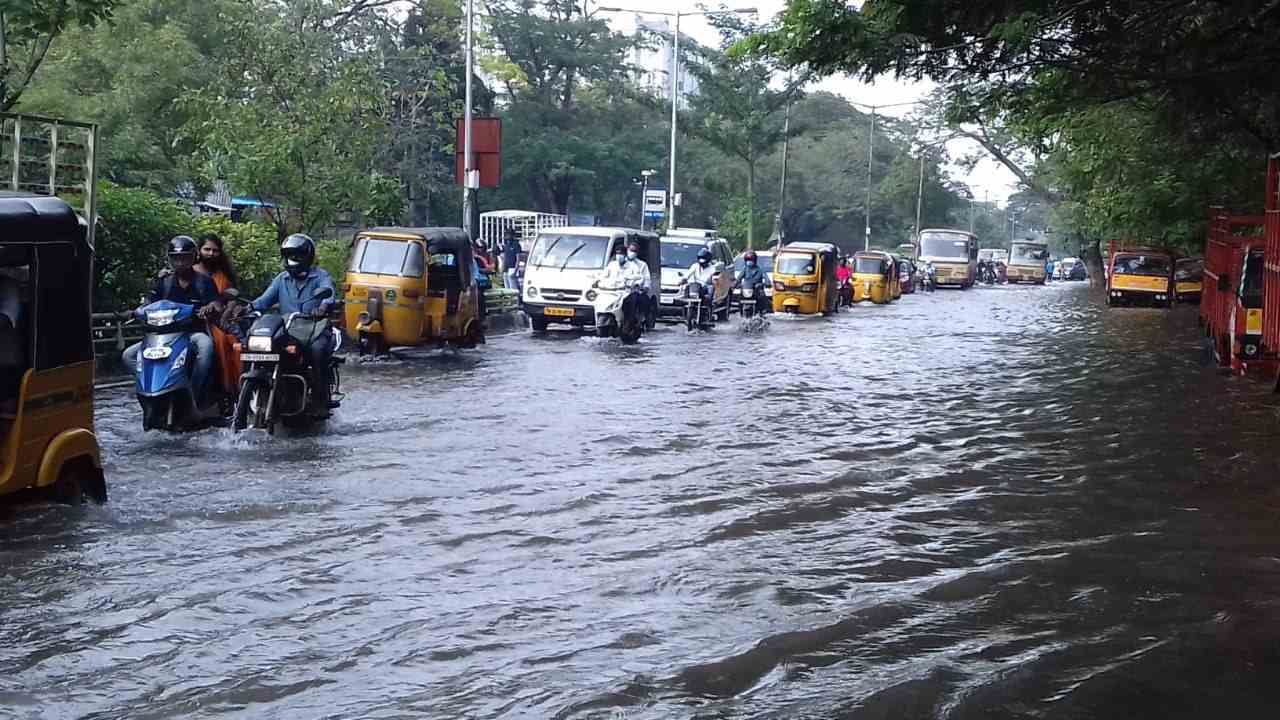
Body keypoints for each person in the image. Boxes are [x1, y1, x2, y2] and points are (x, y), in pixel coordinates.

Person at [122, 236, 220, 402]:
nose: (180, 263)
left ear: (194, 257)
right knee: (128, 355)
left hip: (191, 333)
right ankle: (149, 388)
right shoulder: (163, 282)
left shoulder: (204, 282)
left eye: (185, 258)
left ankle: (195, 394)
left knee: (206, 347)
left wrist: (209, 307)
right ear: (170, 259)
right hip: (162, 336)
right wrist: (136, 312)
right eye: (176, 258)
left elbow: (216, 302)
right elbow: (149, 303)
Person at [252, 233, 337, 417]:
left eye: (297, 255)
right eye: (290, 256)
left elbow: (329, 296)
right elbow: (263, 301)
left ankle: (320, 399)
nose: (293, 260)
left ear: (307, 256)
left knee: (317, 350)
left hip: (314, 329)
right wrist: (246, 308)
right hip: (288, 329)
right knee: (258, 349)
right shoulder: (281, 279)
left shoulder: (321, 276)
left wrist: (322, 307)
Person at [194, 233, 243, 397]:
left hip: (220, 320)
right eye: (207, 249)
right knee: (218, 341)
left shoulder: (223, 274)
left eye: (215, 250)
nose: (210, 254)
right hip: (194, 321)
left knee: (231, 343)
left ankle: (233, 390)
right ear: (199, 251)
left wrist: (228, 309)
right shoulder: (190, 272)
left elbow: (231, 297)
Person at [598, 240, 653, 323]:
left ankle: (632, 321)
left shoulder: (637, 265)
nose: (619, 256)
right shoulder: (613, 264)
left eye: (634, 251)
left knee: (638, 301)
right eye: (618, 254)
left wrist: (641, 286)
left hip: (630, 290)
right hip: (613, 289)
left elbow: (643, 278)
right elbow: (603, 275)